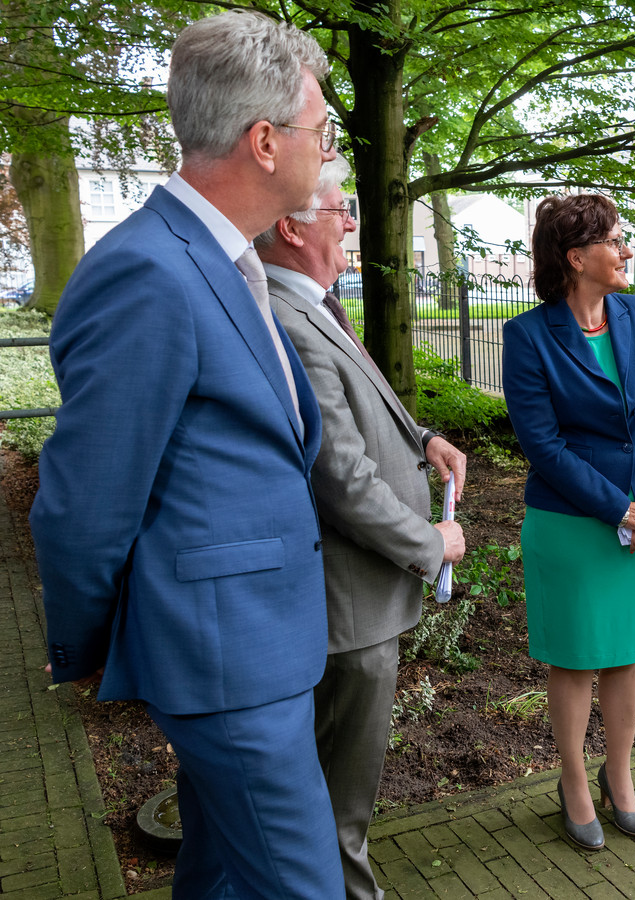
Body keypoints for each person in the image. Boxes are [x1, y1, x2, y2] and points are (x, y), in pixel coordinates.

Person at [29, 11, 343, 898]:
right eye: (321, 130)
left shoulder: (219, 258)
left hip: (255, 648)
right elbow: (84, 504)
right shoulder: (150, 271)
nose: (328, 148)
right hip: (222, 662)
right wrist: (93, 642)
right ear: (265, 142)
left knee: (219, 878)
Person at [256, 155, 467, 900]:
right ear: (290, 226)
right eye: (339, 209)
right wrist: (428, 544)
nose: (351, 223)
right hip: (348, 611)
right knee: (337, 806)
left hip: (358, 603)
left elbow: (359, 408)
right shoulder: (288, 319)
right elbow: (340, 478)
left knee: (339, 796)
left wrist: (423, 437)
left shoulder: (311, 305)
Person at [501, 194, 635, 851]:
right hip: (571, 521)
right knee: (576, 659)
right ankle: (574, 783)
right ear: (577, 258)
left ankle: (620, 776)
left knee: (628, 653)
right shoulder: (526, 337)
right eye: (613, 241)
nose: (625, 250)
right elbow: (542, 446)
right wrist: (617, 508)